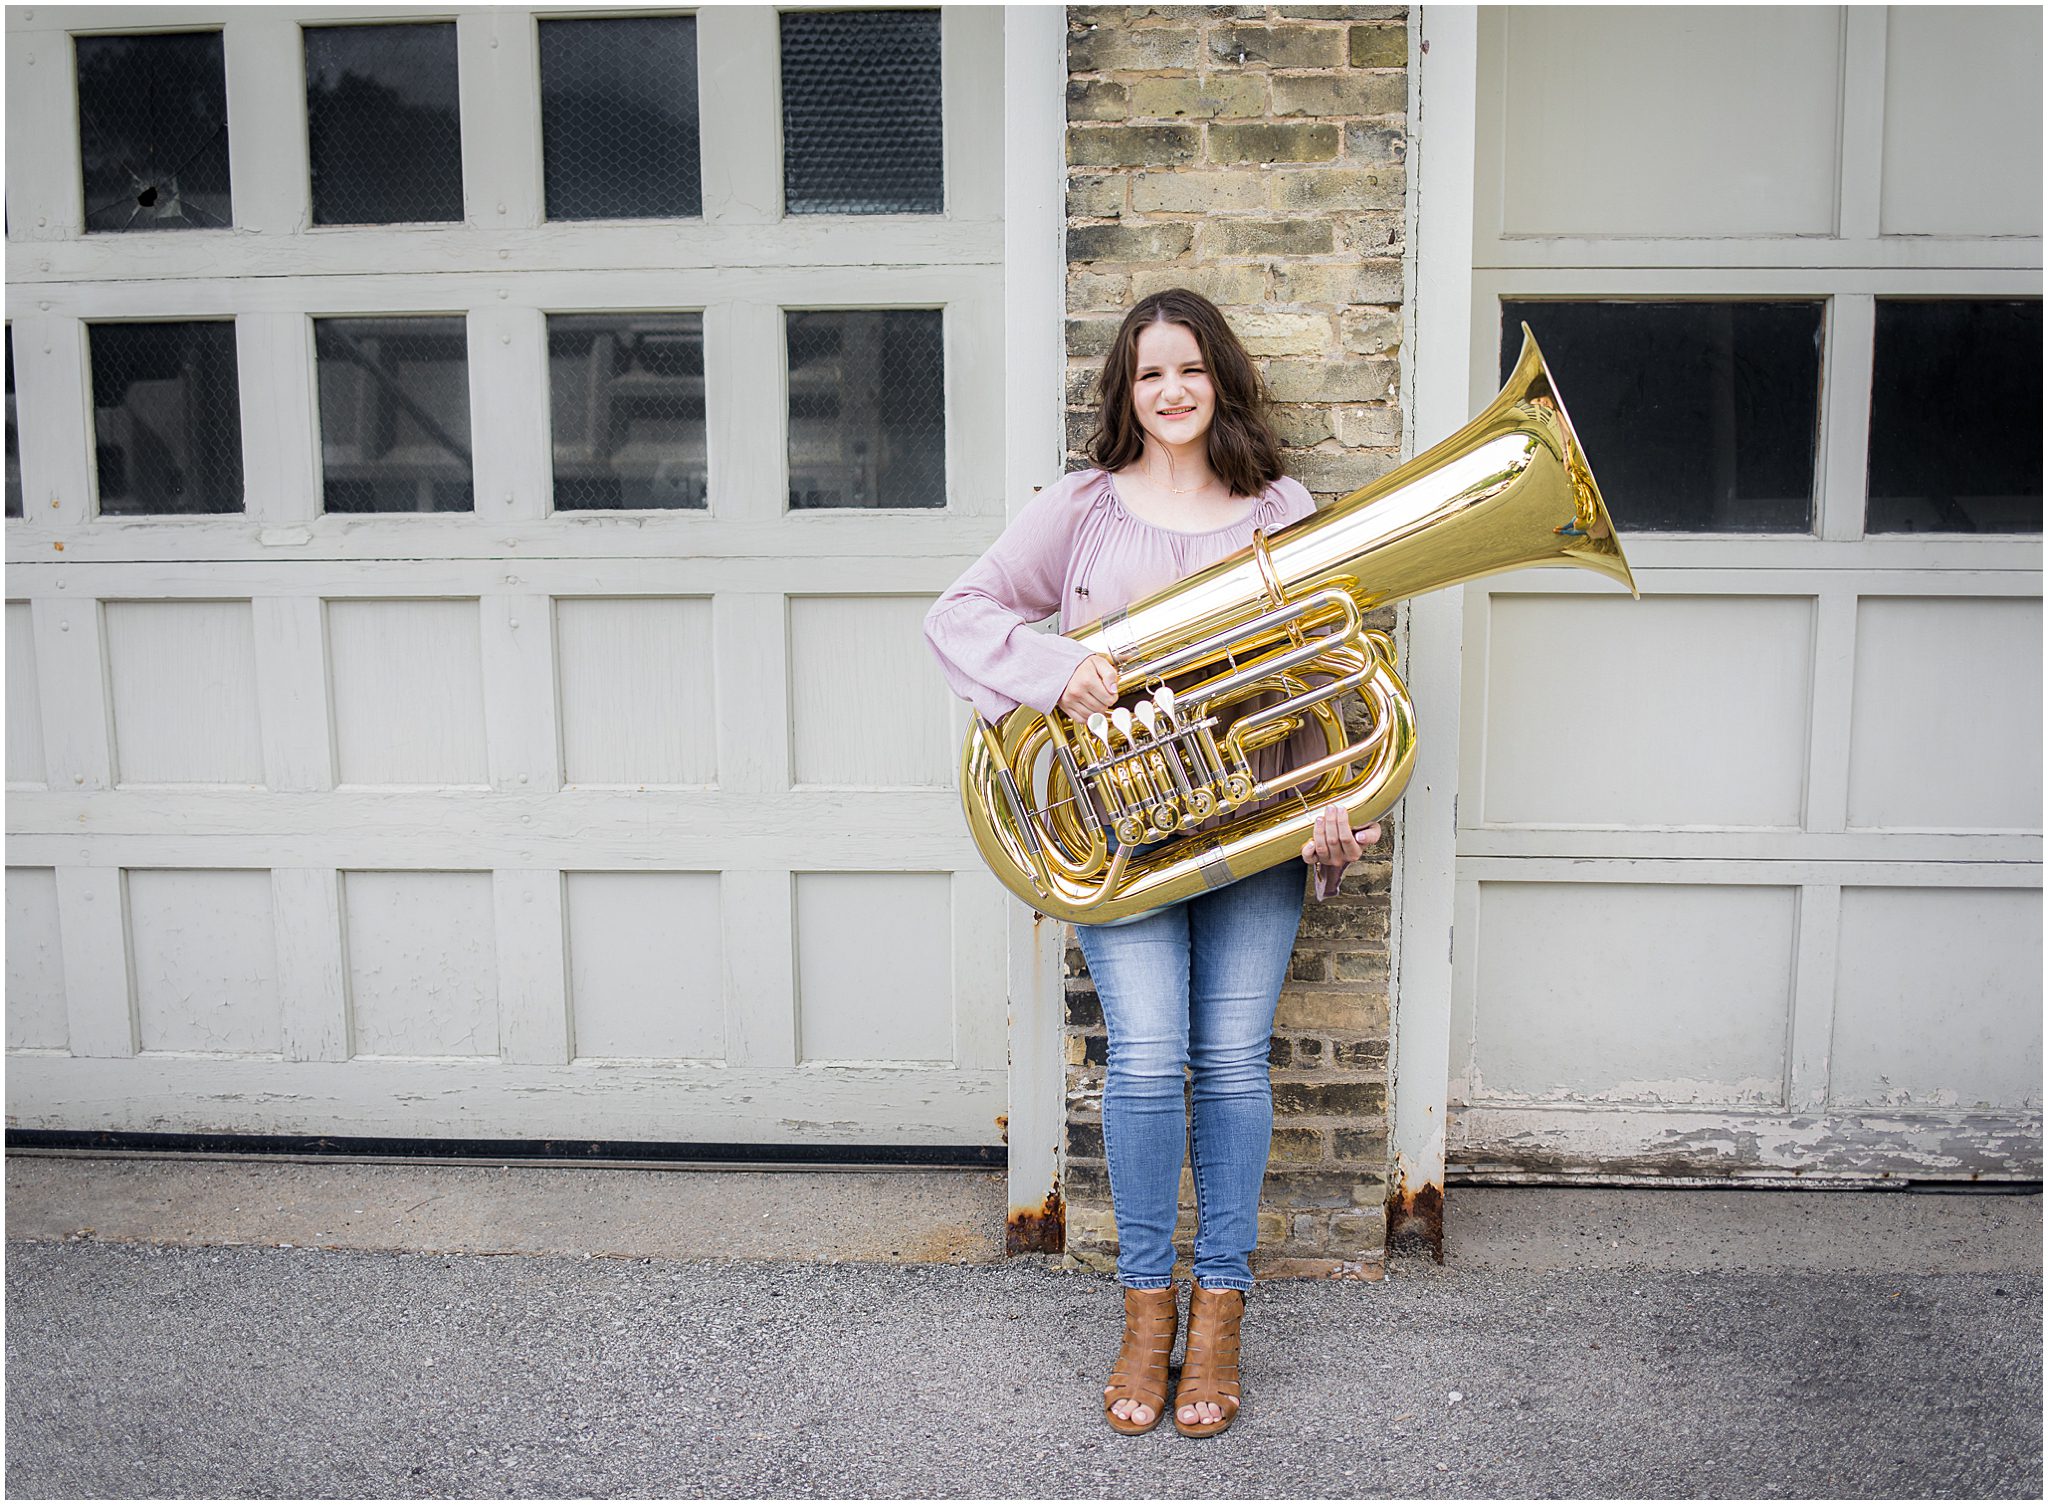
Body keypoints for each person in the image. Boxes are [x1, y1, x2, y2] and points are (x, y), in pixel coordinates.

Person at [923, 288, 1381, 1438]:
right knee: (1142, 1063)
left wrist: (1332, 803)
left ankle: (1217, 1308)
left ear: (1219, 378)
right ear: (1124, 394)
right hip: (1122, 843)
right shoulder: (1079, 509)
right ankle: (1142, 1312)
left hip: (1247, 837)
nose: (1170, 391)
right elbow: (958, 613)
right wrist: (1049, 669)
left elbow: (1322, 669)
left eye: (1188, 370)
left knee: (1228, 1062)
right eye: (1146, 375)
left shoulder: (1280, 507)